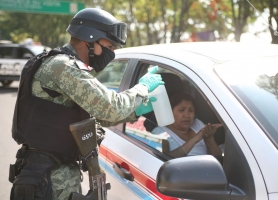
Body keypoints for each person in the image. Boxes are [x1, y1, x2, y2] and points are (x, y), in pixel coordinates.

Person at [10, 8, 164, 200]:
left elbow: (91, 115)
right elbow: (111, 108)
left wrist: (135, 111)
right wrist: (142, 88)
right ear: (89, 40)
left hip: (49, 174)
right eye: (109, 46)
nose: (112, 53)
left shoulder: (65, 65)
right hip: (48, 180)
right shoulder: (63, 67)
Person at [157, 93, 222, 159]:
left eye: (191, 111)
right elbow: (163, 159)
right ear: (170, 112)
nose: (187, 115)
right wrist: (197, 138)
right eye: (182, 110)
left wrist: (209, 139)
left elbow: (218, 158)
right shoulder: (160, 132)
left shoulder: (197, 124)